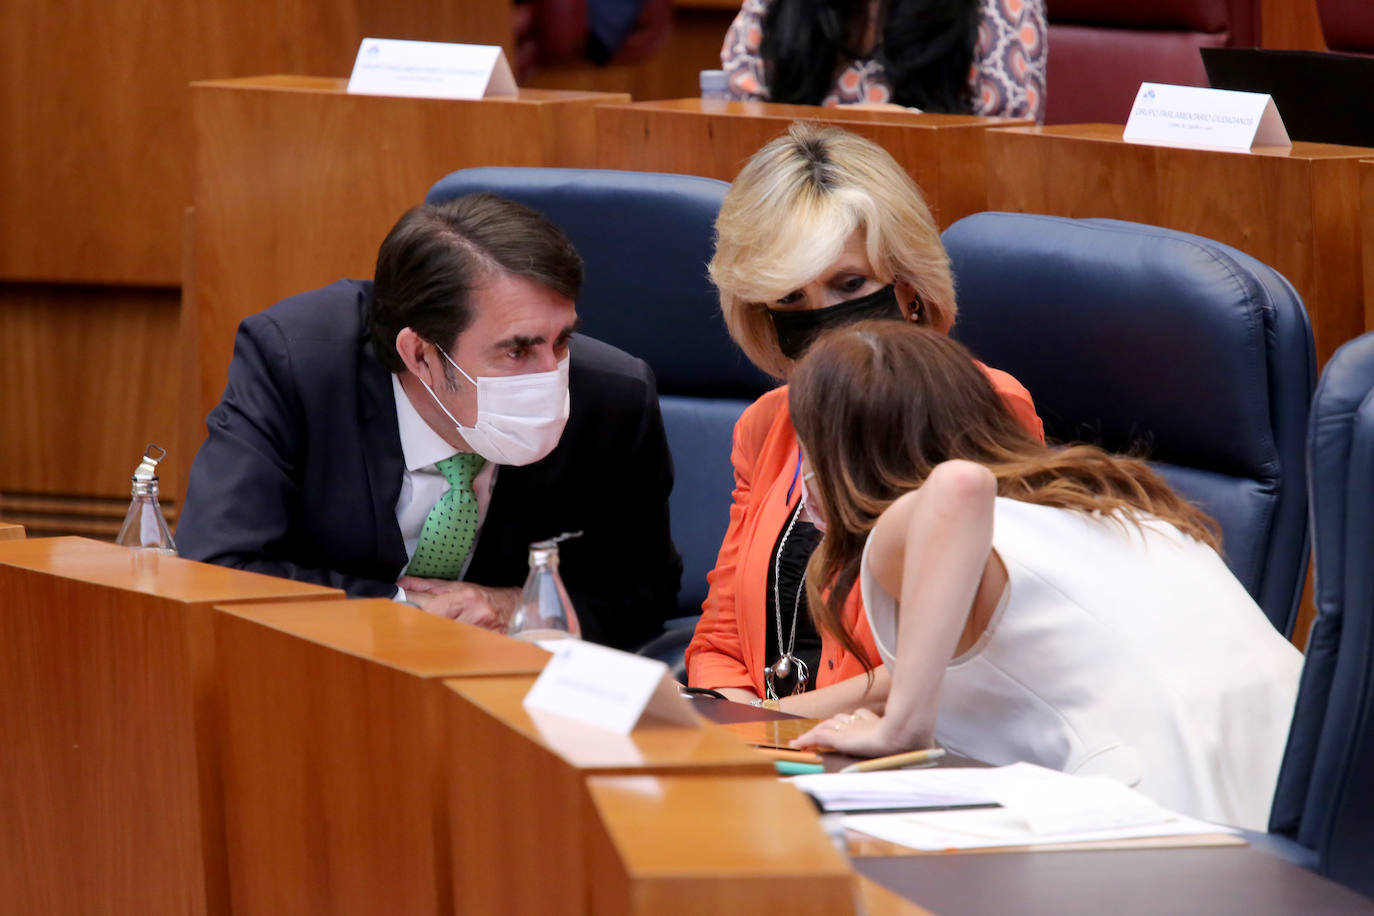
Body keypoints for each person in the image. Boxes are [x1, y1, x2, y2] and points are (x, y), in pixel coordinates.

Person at [790, 322, 1303, 830]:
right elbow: (930, 670)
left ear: (843, 457)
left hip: (1164, 821)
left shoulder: (915, 521)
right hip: (1310, 805)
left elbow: (959, 485)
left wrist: (901, 729)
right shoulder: (1103, 507)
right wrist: (764, 712)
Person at [177, 193, 681, 651]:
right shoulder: (297, 366)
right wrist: (403, 611)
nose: (552, 376)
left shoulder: (613, 398)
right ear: (419, 354)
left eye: (563, 341)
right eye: (518, 350)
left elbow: (645, 591)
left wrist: (516, 605)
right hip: (314, 671)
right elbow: (220, 564)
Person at [685, 122, 1043, 718]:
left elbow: (961, 648)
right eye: (791, 300)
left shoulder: (982, 403)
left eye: (849, 284)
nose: (824, 321)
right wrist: (732, 723)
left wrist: (771, 730)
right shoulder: (765, 425)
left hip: (890, 756)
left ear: (909, 288)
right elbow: (720, 638)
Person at [721, 0, 1046, 121]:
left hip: (937, 225)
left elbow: (1006, 148)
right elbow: (743, 127)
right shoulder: (774, 6)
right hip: (798, 218)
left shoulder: (1000, 6)